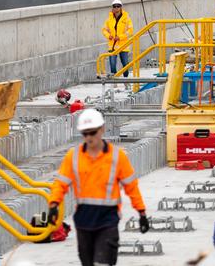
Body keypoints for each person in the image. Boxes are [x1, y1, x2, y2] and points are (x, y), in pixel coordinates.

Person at [48, 109, 149, 266]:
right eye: (85, 133)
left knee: (102, 262)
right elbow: (61, 183)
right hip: (84, 219)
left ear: (102, 129)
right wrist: (54, 204)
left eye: (92, 132)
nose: (89, 137)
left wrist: (141, 212)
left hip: (107, 219)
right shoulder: (73, 156)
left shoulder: (117, 156)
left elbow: (131, 186)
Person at [101, 0, 134, 88]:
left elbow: (130, 30)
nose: (116, 8)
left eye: (118, 6)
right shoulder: (109, 19)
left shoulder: (126, 18)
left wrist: (120, 37)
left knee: (125, 63)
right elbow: (104, 30)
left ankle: (126, 80)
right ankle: (114, 81)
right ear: (112, 7)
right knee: (112, 63)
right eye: (115, 6)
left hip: (123, 45)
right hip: (113, 45)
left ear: (121, 7)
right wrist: (109, 36)